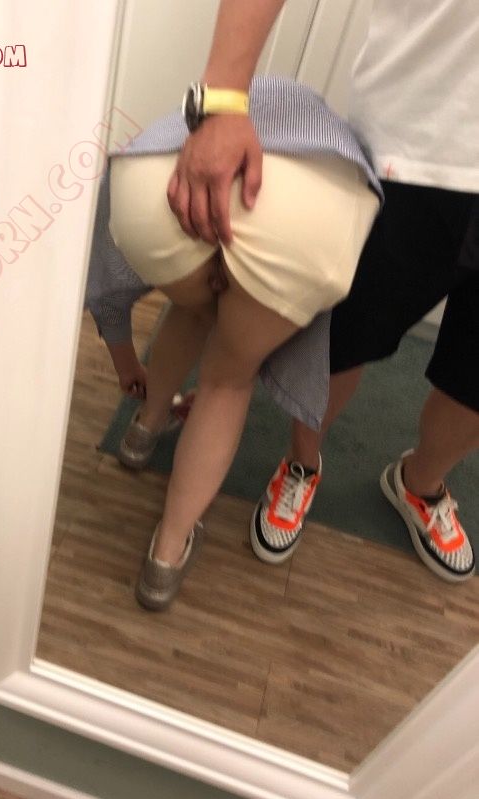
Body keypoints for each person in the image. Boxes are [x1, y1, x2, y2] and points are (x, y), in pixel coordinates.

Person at [168, 0, 478, 584]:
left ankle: (421, 485)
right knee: (343, 339)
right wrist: (223, 99)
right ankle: (302, 463)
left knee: (474, 380)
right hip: (417, 145)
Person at [108, 73, 382, 607]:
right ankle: (165, 557)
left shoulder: (223, 102)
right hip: (299, 222)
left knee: (191, 309)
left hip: (159, 190)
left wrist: (121, 352)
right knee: (227, 380)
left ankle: (142, 431)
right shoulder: (336, 140)